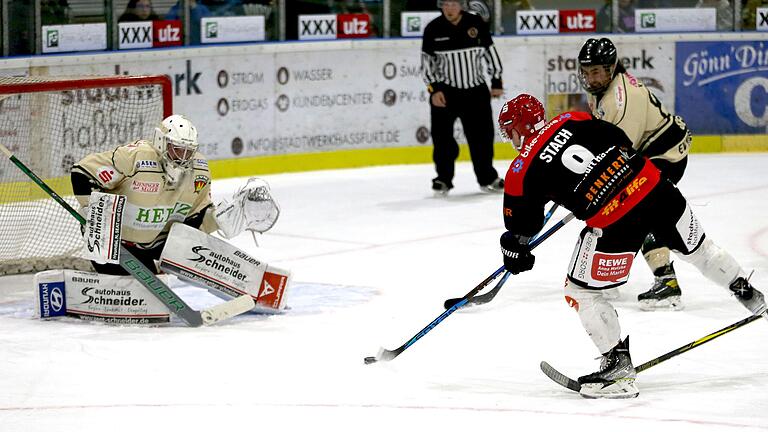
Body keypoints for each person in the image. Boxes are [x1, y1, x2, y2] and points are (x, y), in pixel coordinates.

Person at [496, 93, 767, 399]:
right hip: (654, 185)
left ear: (517, 129)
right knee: (701, 251)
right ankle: (753, 296)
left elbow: (523, 227)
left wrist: (513, 248)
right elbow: (621, 139)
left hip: (616, 217)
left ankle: (617, 370)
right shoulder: (574, 118)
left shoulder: (520, 170)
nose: (511, 139)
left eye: (510, 131)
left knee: (581, 292)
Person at [71, 115, 275, 275]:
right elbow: (82, 172)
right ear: (161, 141)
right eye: (177, 150)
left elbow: (194, 218)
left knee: (194, 255)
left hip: (160, 242)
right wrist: (94, 212)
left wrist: (217, 220)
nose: (183, 158)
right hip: (118, 243)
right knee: (143, 289)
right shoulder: (134, 157)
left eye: (188, 152)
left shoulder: (199, 170)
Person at [578, 37, 692, 310]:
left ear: (611, 68)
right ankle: (614, 276)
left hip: (666, 155)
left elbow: (618, 157)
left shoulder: (622, 100)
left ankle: (667, 282)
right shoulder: (602, 91)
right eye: (586, 71)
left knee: (636, 209)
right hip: (649, 151)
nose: (590, 78)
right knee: (630, 211)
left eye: (596, 71)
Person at [421, 0, 504, 196]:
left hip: (476, 92)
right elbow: (427, 64)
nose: (449, 8)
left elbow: (490, 53)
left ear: (462, 5)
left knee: (482, 138)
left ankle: (487, 178)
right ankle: (443, 179)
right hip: (446, 93)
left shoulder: (476, 23)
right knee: (443, 140)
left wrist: (496, 81)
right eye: (446, 4)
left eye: (454, 3)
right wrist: (434, 90)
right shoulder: (433, 28)